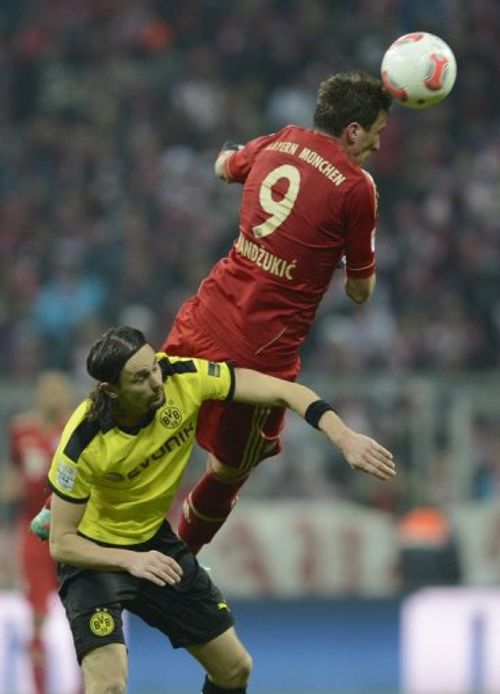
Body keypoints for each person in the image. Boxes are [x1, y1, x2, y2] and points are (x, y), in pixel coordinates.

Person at [47, 325, 395, 694]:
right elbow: (62, 543)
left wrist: (343, 435)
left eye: (154, 368)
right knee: (109, 687)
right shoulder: (82, 442)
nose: (156, 381)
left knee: (234, 669)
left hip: (155, 547)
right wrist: (129, 561)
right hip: (95, 560)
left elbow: (283, 390)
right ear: (110, 391)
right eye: (140, 378)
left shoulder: (184, 377)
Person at [161, 70, 393, 553]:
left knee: (143, 420)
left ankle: (62, 505)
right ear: (352, 130)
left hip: (206, 313)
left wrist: (230, 151)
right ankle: (181, 565)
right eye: (376, 133)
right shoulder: (357, 188)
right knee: (228, 469)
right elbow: (359, 292)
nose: (376, 145)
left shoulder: (281, 141)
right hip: (258, 354)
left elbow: (224, 167)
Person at [6, 371, 77, 694]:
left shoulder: (76, 432)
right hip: (32, 535)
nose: (53, 397)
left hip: (70, 532)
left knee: (80, 610)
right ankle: (37, 687)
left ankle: (84, 686)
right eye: (47, 391)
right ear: (39, 394)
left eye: (58, 391)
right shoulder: (21, 431)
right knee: (36, 615)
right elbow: (13, 478)